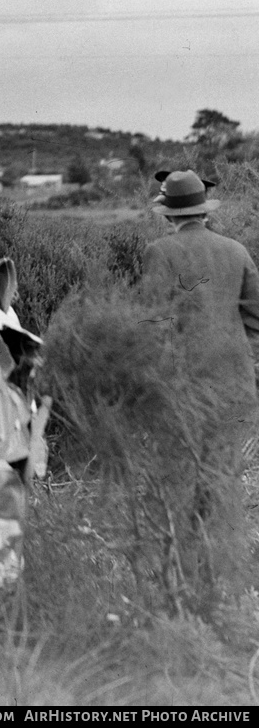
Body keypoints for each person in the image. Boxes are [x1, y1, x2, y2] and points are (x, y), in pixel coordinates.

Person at [141, 169, 259, 592]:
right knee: (223, 486)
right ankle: (225, 587)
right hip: (234, 393)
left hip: (183, 393)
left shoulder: (160, 252)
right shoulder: (236, 250)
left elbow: (153, 325)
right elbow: (256, 322)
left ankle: (186, 589)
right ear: (203, 209)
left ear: (168, 213)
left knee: (180, 490)